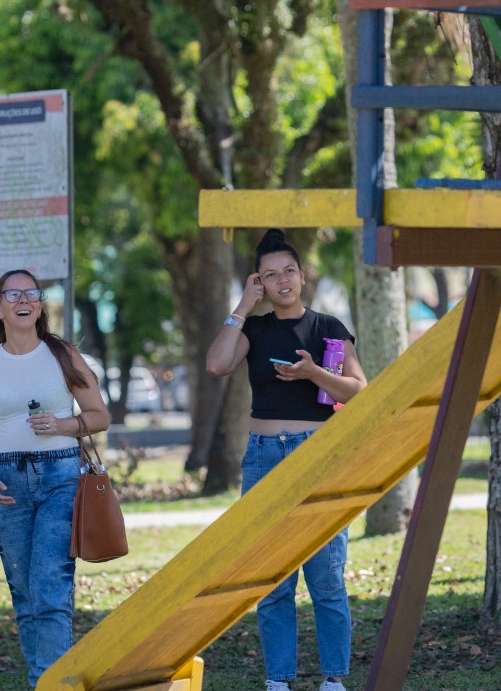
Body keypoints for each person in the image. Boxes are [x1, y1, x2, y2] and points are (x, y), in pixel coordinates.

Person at [206, 229, 369, 691]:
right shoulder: (254, 329)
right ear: (259, 281)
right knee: (271, 574)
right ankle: (279, 680)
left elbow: (358, 391)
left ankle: (333, 679)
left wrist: (312, 372)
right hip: (263, 457)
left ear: (303, 275)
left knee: (326, 574)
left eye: (289, 272)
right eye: (270, 275)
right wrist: (242, 304)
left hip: (318, 454)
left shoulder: (328, 328)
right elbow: (217, 365)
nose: (282, 282)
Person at [0, 268, 111, 686]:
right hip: (7, 482)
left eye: (32, 293)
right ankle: (41, 680)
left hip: (61, 477)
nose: (23, 300)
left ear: (40, 305)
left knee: (49, 590)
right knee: (25, 596)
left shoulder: (62, 355)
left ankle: (54, 685)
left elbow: (100, 416)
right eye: (13, 295)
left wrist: (63, 426)